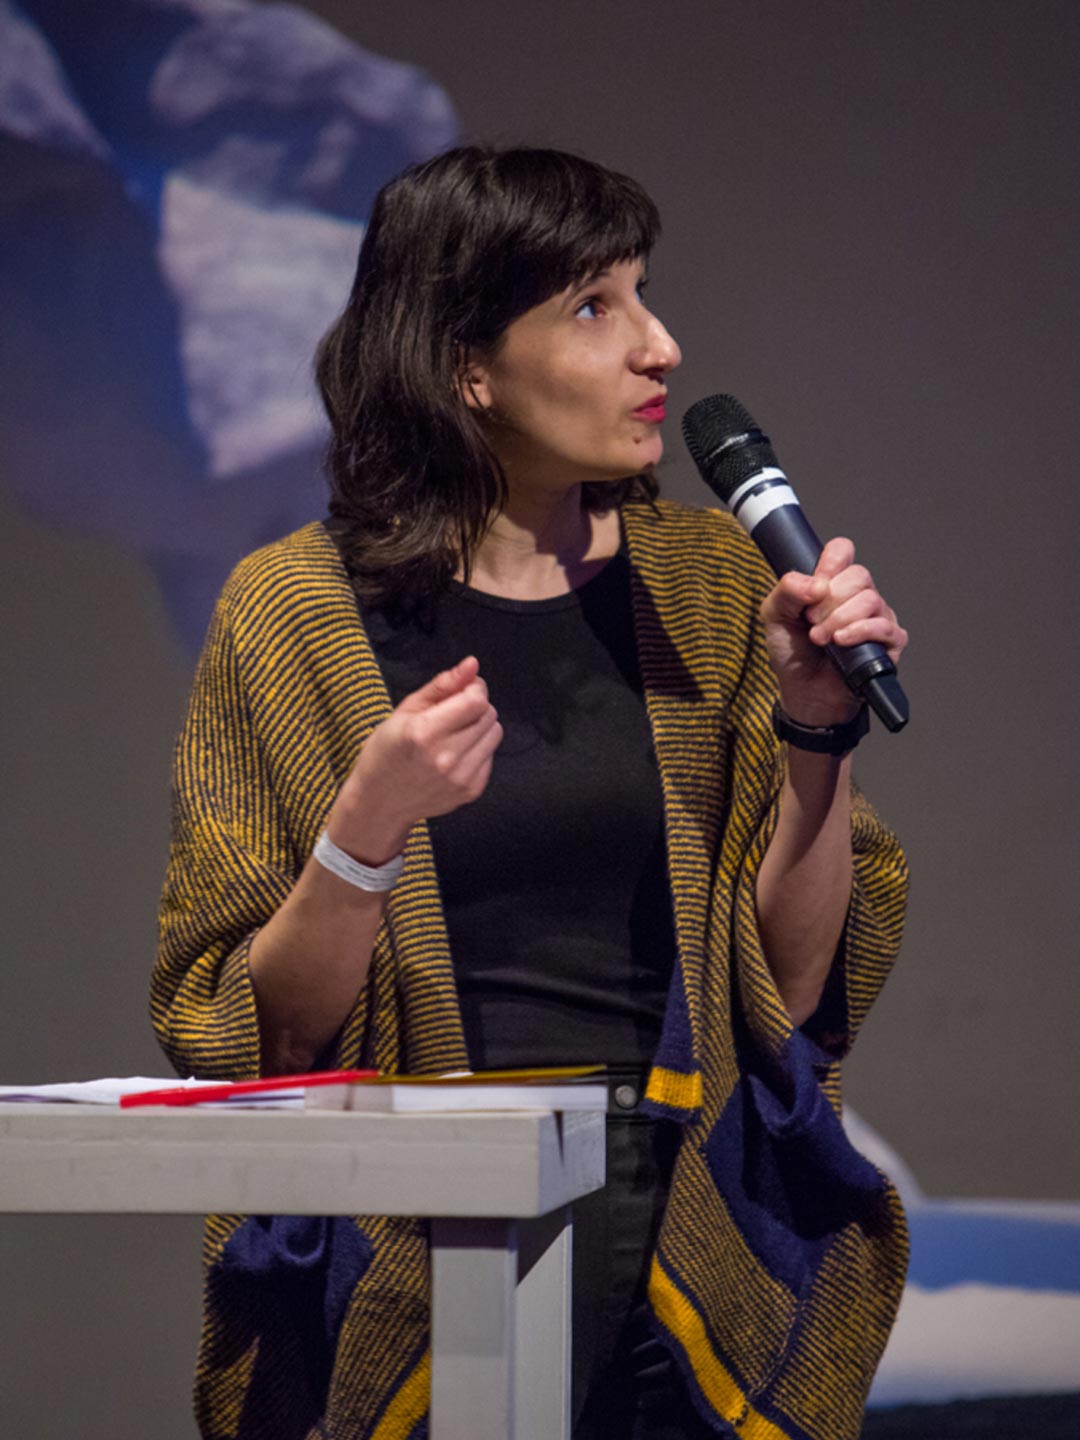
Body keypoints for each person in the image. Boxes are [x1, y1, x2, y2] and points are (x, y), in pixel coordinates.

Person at [153, 146, 910, 1440]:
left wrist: (817, 733)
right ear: (468, 367)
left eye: (645, 293)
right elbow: (255, 1033)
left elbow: (787, 998)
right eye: (593, 307)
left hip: (684, 1222)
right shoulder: (292, 614)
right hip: (418, 1238)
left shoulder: (712, 587)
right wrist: (362, 834)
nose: (660, 346)